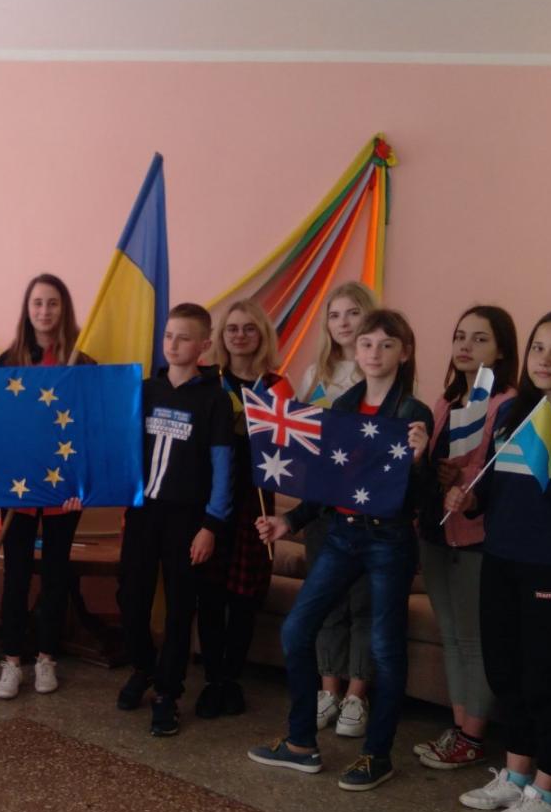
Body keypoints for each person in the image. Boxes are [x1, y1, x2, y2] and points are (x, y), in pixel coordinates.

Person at [248, 308, 432, 791]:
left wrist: (420, 460)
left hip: (389, 539)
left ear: (404, 353)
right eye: (367, 344)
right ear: (356, 350)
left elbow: (421, 498)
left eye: (386, 344)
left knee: (385, 647)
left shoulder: (413, 413)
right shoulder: (344, 406)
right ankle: (300, 743)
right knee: (297, 628)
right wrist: (290, 520)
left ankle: (377, 754)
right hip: (342, 534)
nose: (374, 352)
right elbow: (326, 481)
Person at [446, 309, 551, 812]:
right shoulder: (515, 412)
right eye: (539, 347)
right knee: (505, 674)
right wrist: (468, 499)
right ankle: (516, 777)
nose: (546, 359)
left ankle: (548, 795)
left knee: (546, 680)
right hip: (500, 559)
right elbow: (494, 488)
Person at [116, 303, 234, 736]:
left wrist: (211, 525)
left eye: (184, 338)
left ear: (203, 345)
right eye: (168, 336)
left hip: (188, 519)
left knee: (181, 608)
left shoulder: (215, 399)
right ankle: (143, 667)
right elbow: (121, 445)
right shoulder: (146, 390)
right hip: (143, 513)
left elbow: (223, 467)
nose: (173, 344)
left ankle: (168, 691)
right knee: (130, 598)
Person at [413, 305, 519, 768]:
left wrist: (462, 480)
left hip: (474, 537)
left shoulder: (506, 404)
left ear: (501, 350)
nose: (465, 346)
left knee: (474, 640)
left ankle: (473, 735)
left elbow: (495, 472)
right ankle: (458, 729)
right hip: (433, 532)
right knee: (452, 636)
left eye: (479, 338)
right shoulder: (446, 401)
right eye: (460, 336)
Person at [0, 273, 90, 699]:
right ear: (27, 309)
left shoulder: (82, 364)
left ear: (63, 309)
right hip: (17, 490)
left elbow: (90, 430)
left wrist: (81, 485)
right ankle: (12, 660)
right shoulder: (8, 361)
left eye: (52, 303)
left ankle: (47, 657)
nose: (44, 311)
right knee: (15, 576)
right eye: (37, 303)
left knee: (55, 576)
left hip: (63, 492)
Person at [194, 300, 294, 719]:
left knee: (245, 596)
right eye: (232, 328)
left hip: (256, 502)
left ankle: (231, 679)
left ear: (262, 336)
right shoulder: (207, 381)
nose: (239, 335)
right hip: (212, 501)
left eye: (249, 328)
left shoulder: (278, 387)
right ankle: (212, 679)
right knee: (210, 593)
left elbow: (289, 448)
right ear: (221, 336)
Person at [298, 281, 378, 738]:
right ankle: (327, 690)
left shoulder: (382, 371)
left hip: (366, 510)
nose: (343, 322)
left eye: (352, 313)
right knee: (326, 600)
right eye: (334, 315)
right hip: (322, 507)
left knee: (363, 603)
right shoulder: (315, 375)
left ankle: (356, 695)